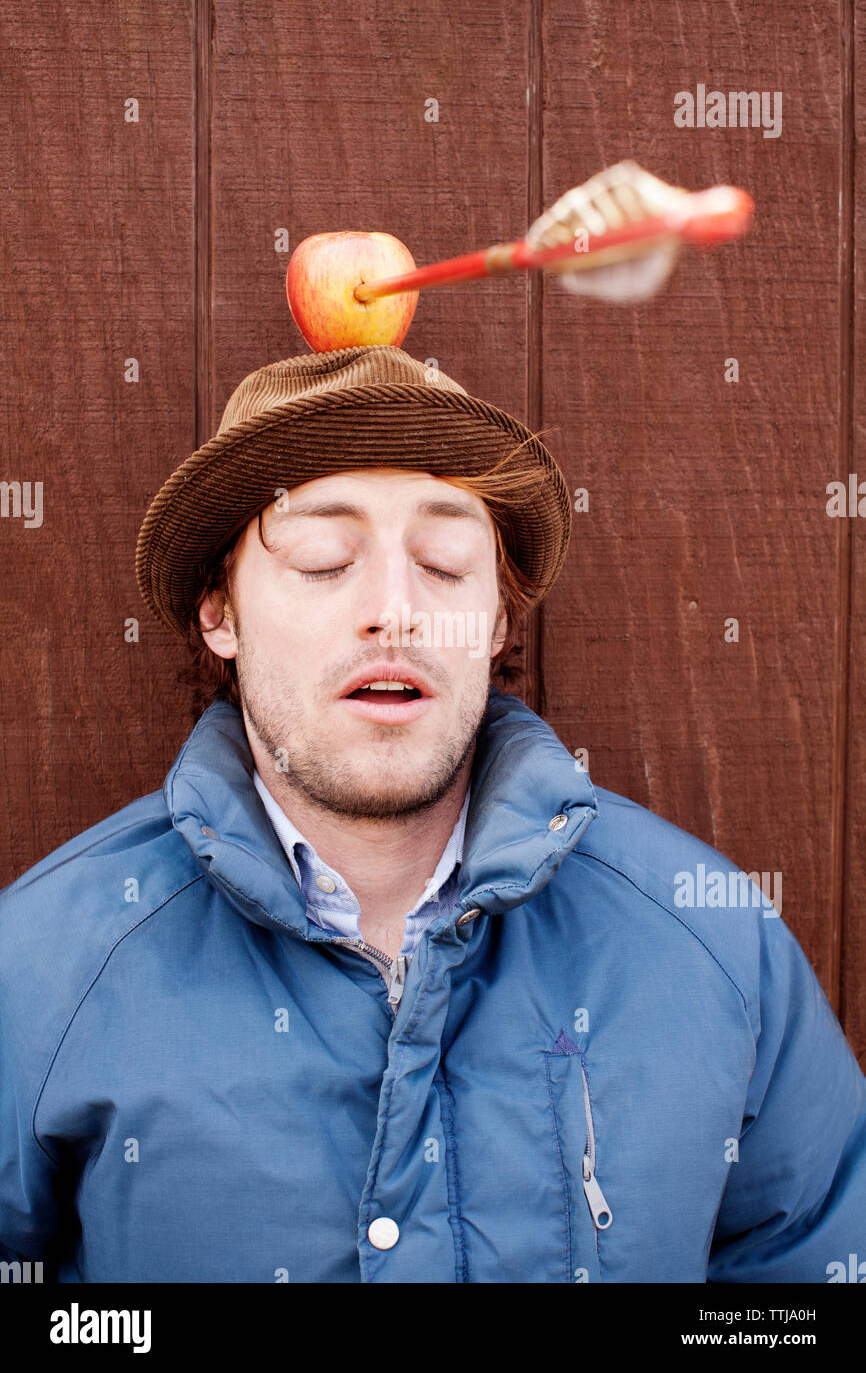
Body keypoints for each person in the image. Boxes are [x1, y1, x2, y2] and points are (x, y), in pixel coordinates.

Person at [1, 344, 863, 1284]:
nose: (394, 612)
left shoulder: (714, 944)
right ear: (221, 612)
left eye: (446, 563)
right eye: (326, 558)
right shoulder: (45, 968)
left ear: (496, 623)